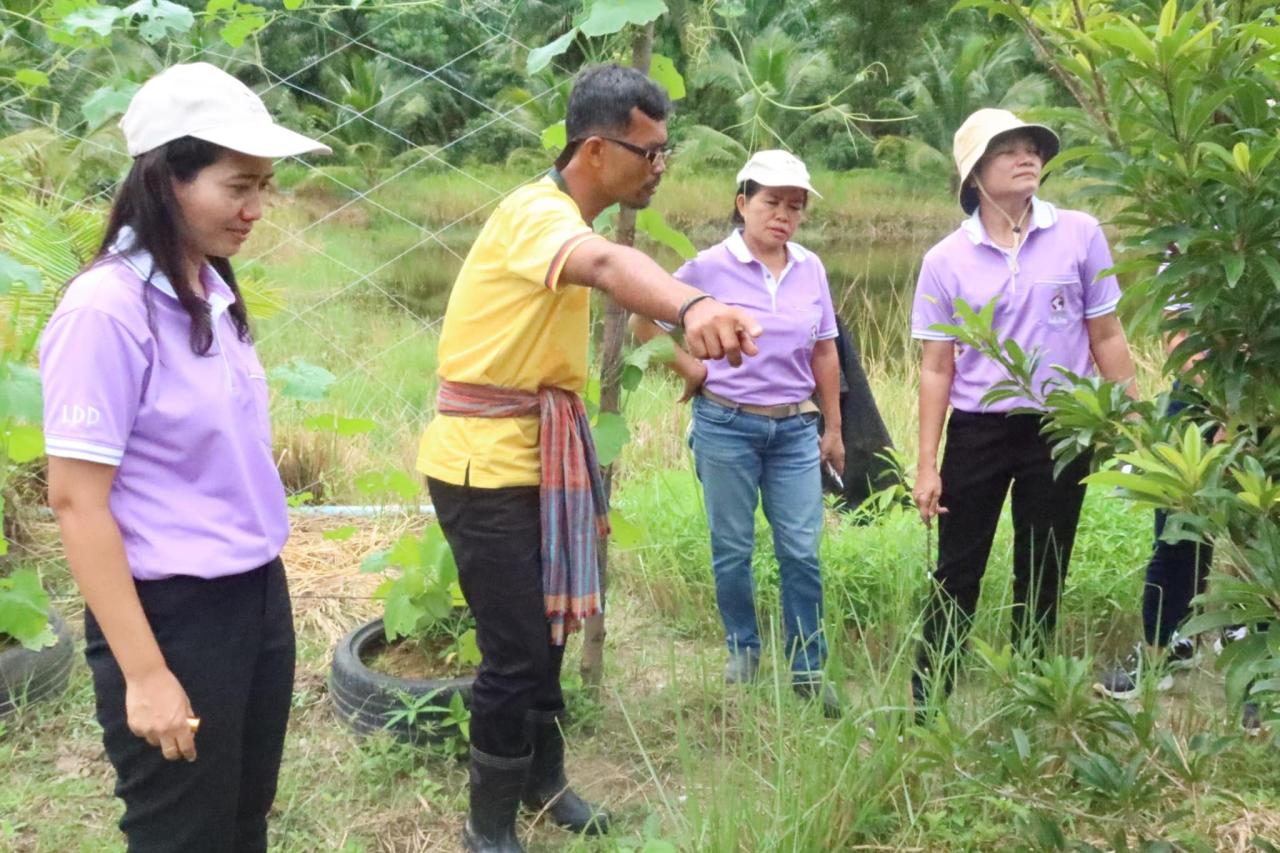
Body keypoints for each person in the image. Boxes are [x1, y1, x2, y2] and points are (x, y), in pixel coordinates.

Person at [415, 64, 762, 853]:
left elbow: (617, 292)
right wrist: (696, 303)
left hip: (541, 459)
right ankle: (487, 827)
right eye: (650, 151)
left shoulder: (569, 220)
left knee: (550, 633)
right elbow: (608, 269)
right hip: (483, 467)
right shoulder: (535, 214)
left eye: (666, 151)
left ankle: (545, 781)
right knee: (515, 652)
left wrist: (683, 357)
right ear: (597, 150)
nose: (660, 167)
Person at [40, 63, 329, 851]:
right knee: (182, 833)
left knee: (242, 818)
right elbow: (76, 501)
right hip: (172, 614)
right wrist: (145, 672)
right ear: (167, 179)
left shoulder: (209, 292)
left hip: (254, 594)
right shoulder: (106, 311)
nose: (256, 209)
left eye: (263, 186)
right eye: (237, 187)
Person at [909, 108, 1139, 710]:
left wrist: (1134, 420)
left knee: (1043, 570)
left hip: (1062, 428)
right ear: (975, 174)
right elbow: (937, 367)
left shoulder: (1080, 234)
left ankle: (1032, 701)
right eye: (1007, 149)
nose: (1026, 156)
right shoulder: (945, 260)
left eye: (1032, 147)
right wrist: (926, 464)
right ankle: (928, 703)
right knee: (957, 570)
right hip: (978, 430)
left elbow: (1106, 334)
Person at [630, 150, 842, 716]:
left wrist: (834, 426)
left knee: (801, 551)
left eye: (795, 206)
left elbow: (825, 350)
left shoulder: (811, 268)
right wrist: (691, 369)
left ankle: (808, 668)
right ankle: (743, 650)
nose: (783, 215)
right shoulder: (706, 268)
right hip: (726, 425)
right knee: (733, 548)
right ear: (742, 203)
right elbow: (643, 319)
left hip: (795, 428)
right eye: (772, 202)